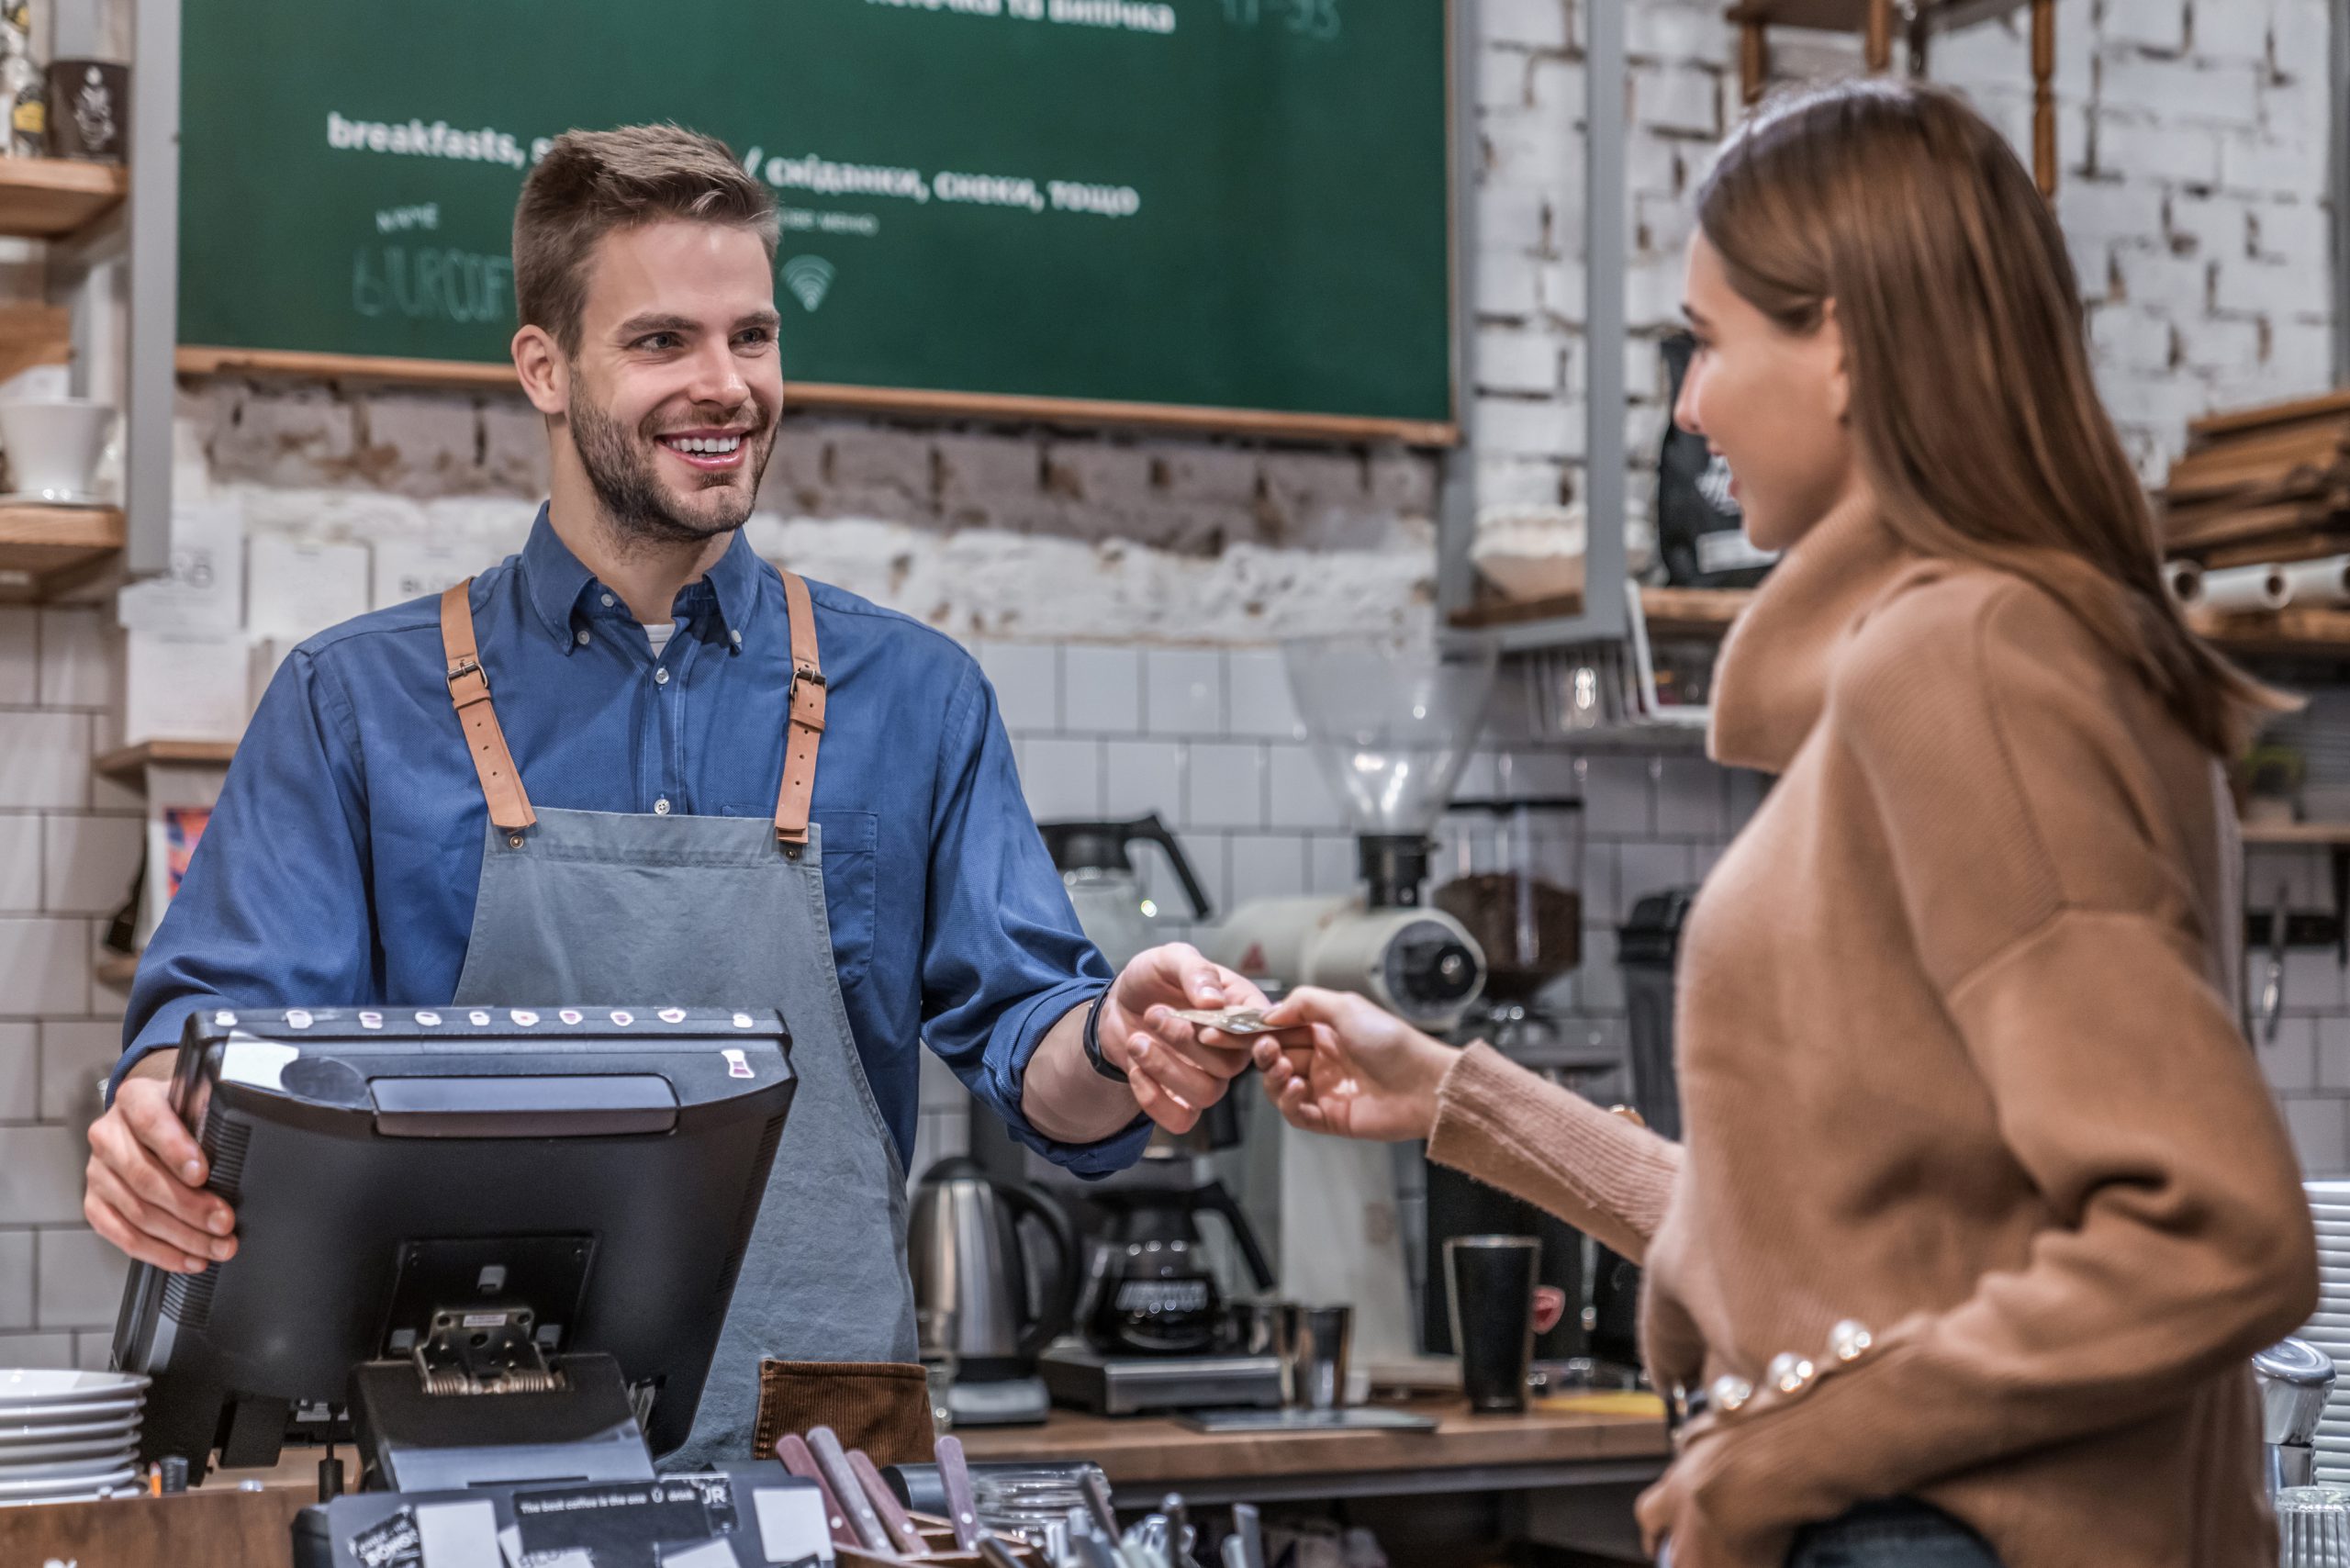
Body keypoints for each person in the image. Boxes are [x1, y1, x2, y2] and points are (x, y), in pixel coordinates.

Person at [84, 124, 1270, 1467]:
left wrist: (1121, 1039)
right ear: (544, 367)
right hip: (470, 1453)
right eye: (662, 343)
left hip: (831, 1461)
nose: (726, 387)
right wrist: (152, 1116)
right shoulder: (354, 703)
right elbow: (221, 1041)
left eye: (752, 337)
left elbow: (1041, 1056)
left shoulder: (916, 696)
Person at [1254, 81, 2318, 1568]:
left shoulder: (1971, 665)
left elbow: (2212, 1232)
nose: (1689, 408)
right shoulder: (1991, 653)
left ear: (1845, 343)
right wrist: (1450, 1094)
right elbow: (1844, 1246)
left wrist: (1788, 1448)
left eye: (1707, 340)